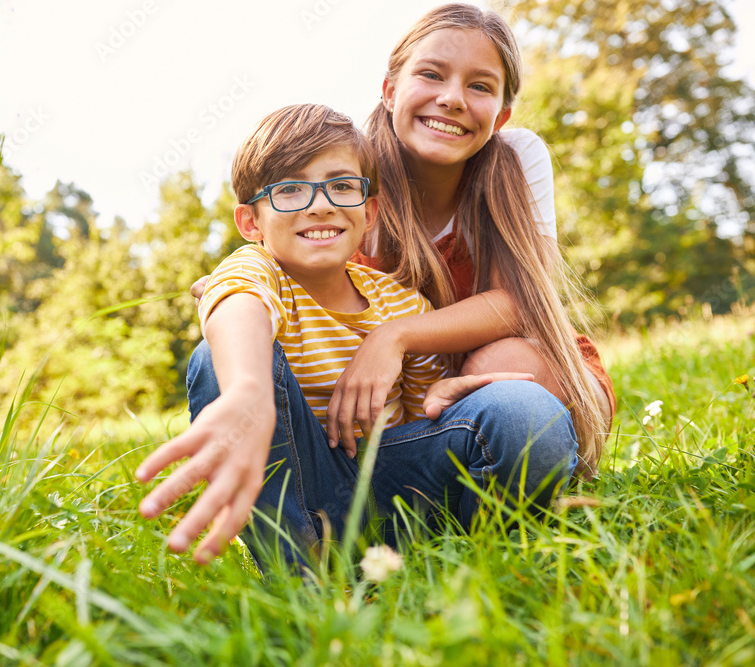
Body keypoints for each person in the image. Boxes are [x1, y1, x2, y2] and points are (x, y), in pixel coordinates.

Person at [136, 101, 578, 566]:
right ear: (251, 222)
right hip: (302, 490)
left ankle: (478, 559)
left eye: (341, 186)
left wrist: (444, 398)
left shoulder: (401, 303)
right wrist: (247, 389)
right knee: (215, 358)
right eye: (290, 191)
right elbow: (236, 303)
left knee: (525, 412)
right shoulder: (255, 271)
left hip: (394, 486)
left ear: (370, 212)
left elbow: (419, 416)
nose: (321, 205)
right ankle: (298, 579)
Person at [327, 2, 613, 480]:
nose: (453, 99)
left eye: (479, 86)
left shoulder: (518, 158)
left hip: (515, 365)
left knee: (506, 364)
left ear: (500, 117)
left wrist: (393, 335)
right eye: (432, 75)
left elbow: (520, 301)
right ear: (390, 91)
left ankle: (503, 477)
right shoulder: (352, 175)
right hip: (397, 393)